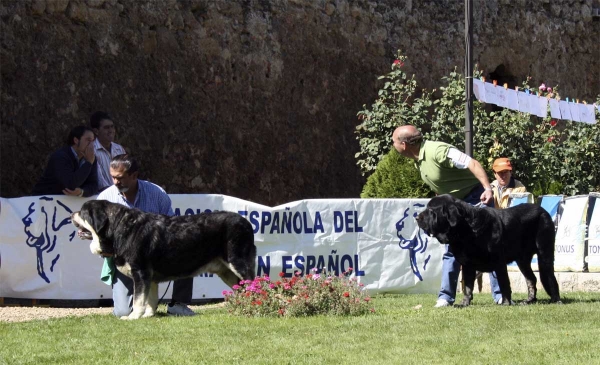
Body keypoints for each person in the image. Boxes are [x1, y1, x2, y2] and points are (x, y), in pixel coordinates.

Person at [392, 124, 504, 306]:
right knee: (451, 250)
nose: (393, 145)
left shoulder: (438, 151)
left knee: (489, 248)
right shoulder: (418, 159)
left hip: (477, 199)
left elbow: (472, 163)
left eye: (394, 142)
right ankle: (445, 298)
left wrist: (487, 188)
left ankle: (500, 296)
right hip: (455, 208)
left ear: (404, 145)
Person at [97, 154, 195, 317]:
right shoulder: (106, 198)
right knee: (123, 311)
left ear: (134, 175)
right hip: (124, 262)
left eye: (120, 178)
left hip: (156, 257)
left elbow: (171, 226)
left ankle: (178, 304)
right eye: (112, 177)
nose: (115, 182)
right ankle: (142, 304)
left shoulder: (156, 193)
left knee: (187, 250)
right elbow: (98, 234)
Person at [32, 125, 98, 197]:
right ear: (76, 140)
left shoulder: (91, 158)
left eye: (93, 141)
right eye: (88, 140)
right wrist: (88, 163)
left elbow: (94, 185)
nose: (92, 145)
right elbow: (70, 184)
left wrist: (82, 192)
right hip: (45, 201)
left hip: (68, 203)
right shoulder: (60, 156)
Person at [90, 111, 126, 192]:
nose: (111, 130)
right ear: (96, 131)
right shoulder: (92, 150)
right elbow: (100, 181)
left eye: (112, 127)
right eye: (106, 128)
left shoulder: (119, 149)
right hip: (103, 196)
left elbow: (126, 173)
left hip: (122, 194)